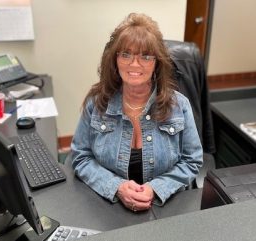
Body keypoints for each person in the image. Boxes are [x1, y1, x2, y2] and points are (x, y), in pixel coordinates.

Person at [71, 13, 203, 212]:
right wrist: (116, 187)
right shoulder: (97, 104)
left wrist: (156, 188)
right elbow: (81, 157)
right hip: (108, 205)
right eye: (125, 54)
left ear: (157, 62)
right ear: (114, 59)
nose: (134, 64)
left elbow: (192, 160)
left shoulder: (179, 105)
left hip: (167, 205)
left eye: (145, 56)